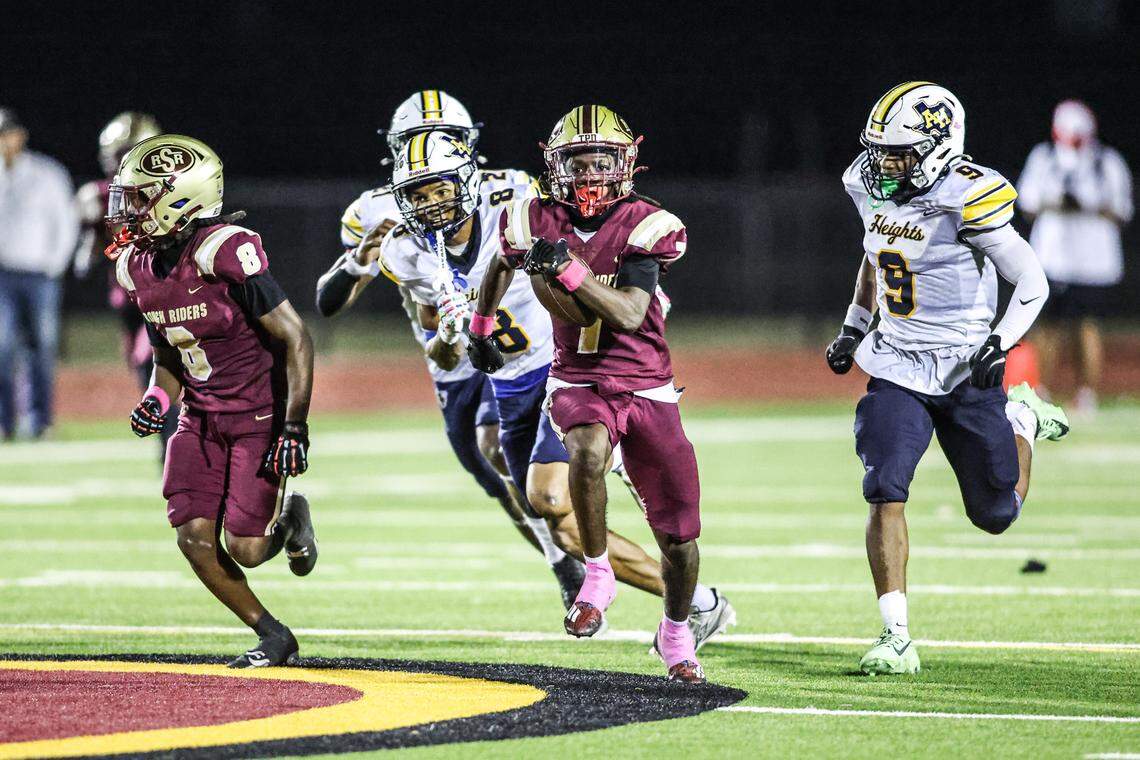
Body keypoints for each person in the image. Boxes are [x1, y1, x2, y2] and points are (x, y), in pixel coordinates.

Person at [384, 130, 733, 650]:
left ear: (466, 181)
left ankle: (609, 468)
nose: (432, 205)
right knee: (559, 523)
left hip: (565, 370)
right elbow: (438, 349)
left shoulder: (517, 212)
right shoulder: (408, 253)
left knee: (550, 490)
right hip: (508, 383)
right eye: (418, 194)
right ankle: (699, 602)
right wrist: (454, 337)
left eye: (439, 189)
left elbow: (591, 260)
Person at [825, 82, 1071, 675]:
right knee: (884, 486)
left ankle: (1021, 418)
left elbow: (1032, 280)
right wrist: (855, 329)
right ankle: (896, 635)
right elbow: (874, 256)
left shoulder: (968, 196)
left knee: (996, 514)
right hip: (897, 363)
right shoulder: (868, 184)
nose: (886, 165)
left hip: (965, 367)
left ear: (939, 145)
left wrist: (999, 344)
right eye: (881, 151)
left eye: (901, 153)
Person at [469, 105, 713, 683]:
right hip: (577, 377)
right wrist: (480, 326)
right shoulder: (532, 218)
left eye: (600, 162)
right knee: (585, 450)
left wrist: (571, 273)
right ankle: (598, 573)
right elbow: (500, 264)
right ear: (555, 166)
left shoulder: (648, 223)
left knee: (679, 536)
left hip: (647, 383)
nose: (588, 175)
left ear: (625, 163)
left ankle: (676, 632)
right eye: (577, 163)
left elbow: (629, 314)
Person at [315, 90, 586, 607]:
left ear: (466, 149)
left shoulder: (508, 189)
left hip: (514, 341)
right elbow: (329, 300)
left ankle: (575, 551)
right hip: (448, 353)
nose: (429, 165)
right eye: (414, 146)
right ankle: (559, 556)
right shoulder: (378, 210)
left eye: (445, 143)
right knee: (485, 468)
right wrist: (357, 262)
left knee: (496, 445)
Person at [108, 133, 318, 668]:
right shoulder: (134, 265)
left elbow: (295, 337)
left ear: (179, 199)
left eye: (141, 197)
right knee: (193, 537)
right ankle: (273, 635)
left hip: (257, 416)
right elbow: (169, 352)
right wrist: (158, 398)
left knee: (247, 547)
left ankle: (290, 520)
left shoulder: (223, 250)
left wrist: (295, 426)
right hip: (199, 417)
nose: (128, 210)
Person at [1016, 100, 1133, 414]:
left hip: (1094, 261)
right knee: (1047, 326)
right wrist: (1056, 202)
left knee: (1087, 326)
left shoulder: (1106, 162)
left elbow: (1121, 209)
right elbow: (1026, 202)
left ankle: (1086, 394)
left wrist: (1087, 204)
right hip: (1053, 257)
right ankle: (1043, 388)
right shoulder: (1045, 159)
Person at [76, 111, 179, 454]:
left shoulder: (172, 192)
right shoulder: (102, 194)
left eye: (127, 153)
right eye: (118, 155)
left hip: (165, 294)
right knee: (144, 370)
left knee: (154, 365)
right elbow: (90, 255)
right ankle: (175, 445)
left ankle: (178, 447)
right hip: (128, 298)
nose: (120, 163)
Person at [0, 108, 79, 440]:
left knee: (42, 348)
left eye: (8, 133)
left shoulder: (48, 174)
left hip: (39, 275)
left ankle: (40, 420)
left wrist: (54, 266)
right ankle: (5, 422)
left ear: (21, 135)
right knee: (2, 348)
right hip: (2, 275)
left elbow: (66, 223)